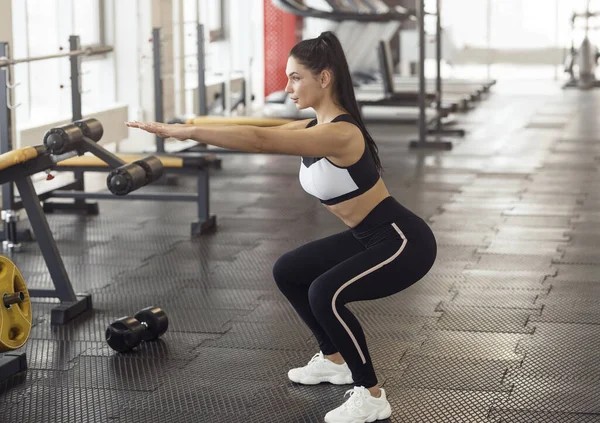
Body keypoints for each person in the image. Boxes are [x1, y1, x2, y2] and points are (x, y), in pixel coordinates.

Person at [127, 31, 437, 423]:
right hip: (367, 236)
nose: (287, 87)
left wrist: (187, 133)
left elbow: (259, 141)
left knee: (325, 293)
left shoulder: (341, 133)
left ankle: (371, 394)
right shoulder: (313, 128)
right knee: (289, 271)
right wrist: (194, 126)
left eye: (295, 77)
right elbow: (262, 134)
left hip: (402, 241)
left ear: (324, 79)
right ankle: (334, 360)